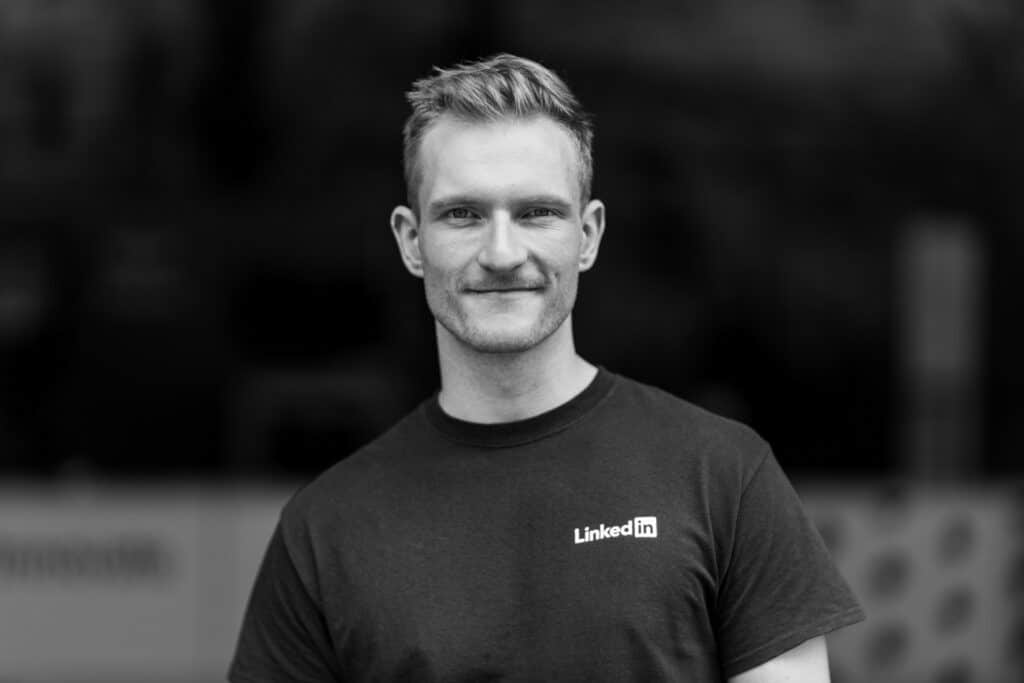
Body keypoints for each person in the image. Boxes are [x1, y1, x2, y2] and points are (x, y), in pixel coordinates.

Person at [228, 53, 865, 682]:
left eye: (537, 212)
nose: (502, 253)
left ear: (586, 236)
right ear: (410, 241)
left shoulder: (723, 477)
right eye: (463, 214)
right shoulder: (324, 530)